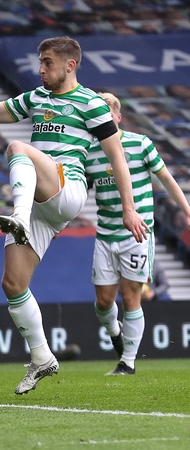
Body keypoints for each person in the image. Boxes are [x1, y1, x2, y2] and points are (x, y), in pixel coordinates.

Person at [0, 36, 148, 394]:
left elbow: (117, 157)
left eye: (48, 63)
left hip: (67, 188)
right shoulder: (36, 99)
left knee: (16, 147)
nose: (41, 69)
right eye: (40, 62)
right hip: (41, 201)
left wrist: (129, 208)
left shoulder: (91, 103)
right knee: (13, 284)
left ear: (70, 65)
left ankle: (20, 216)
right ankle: (42, 358)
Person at [85, 92, 190, 376]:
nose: (103, 120)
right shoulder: (89, 152)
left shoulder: (141, 144)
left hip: (137, 234)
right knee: (104, 302)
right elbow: (80, 192)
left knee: (131, 298)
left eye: (108, 115)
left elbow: (166, 178)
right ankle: (116, 334)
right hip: (106, 234)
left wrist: (187, 210)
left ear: (118, 117)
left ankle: (127, 363)